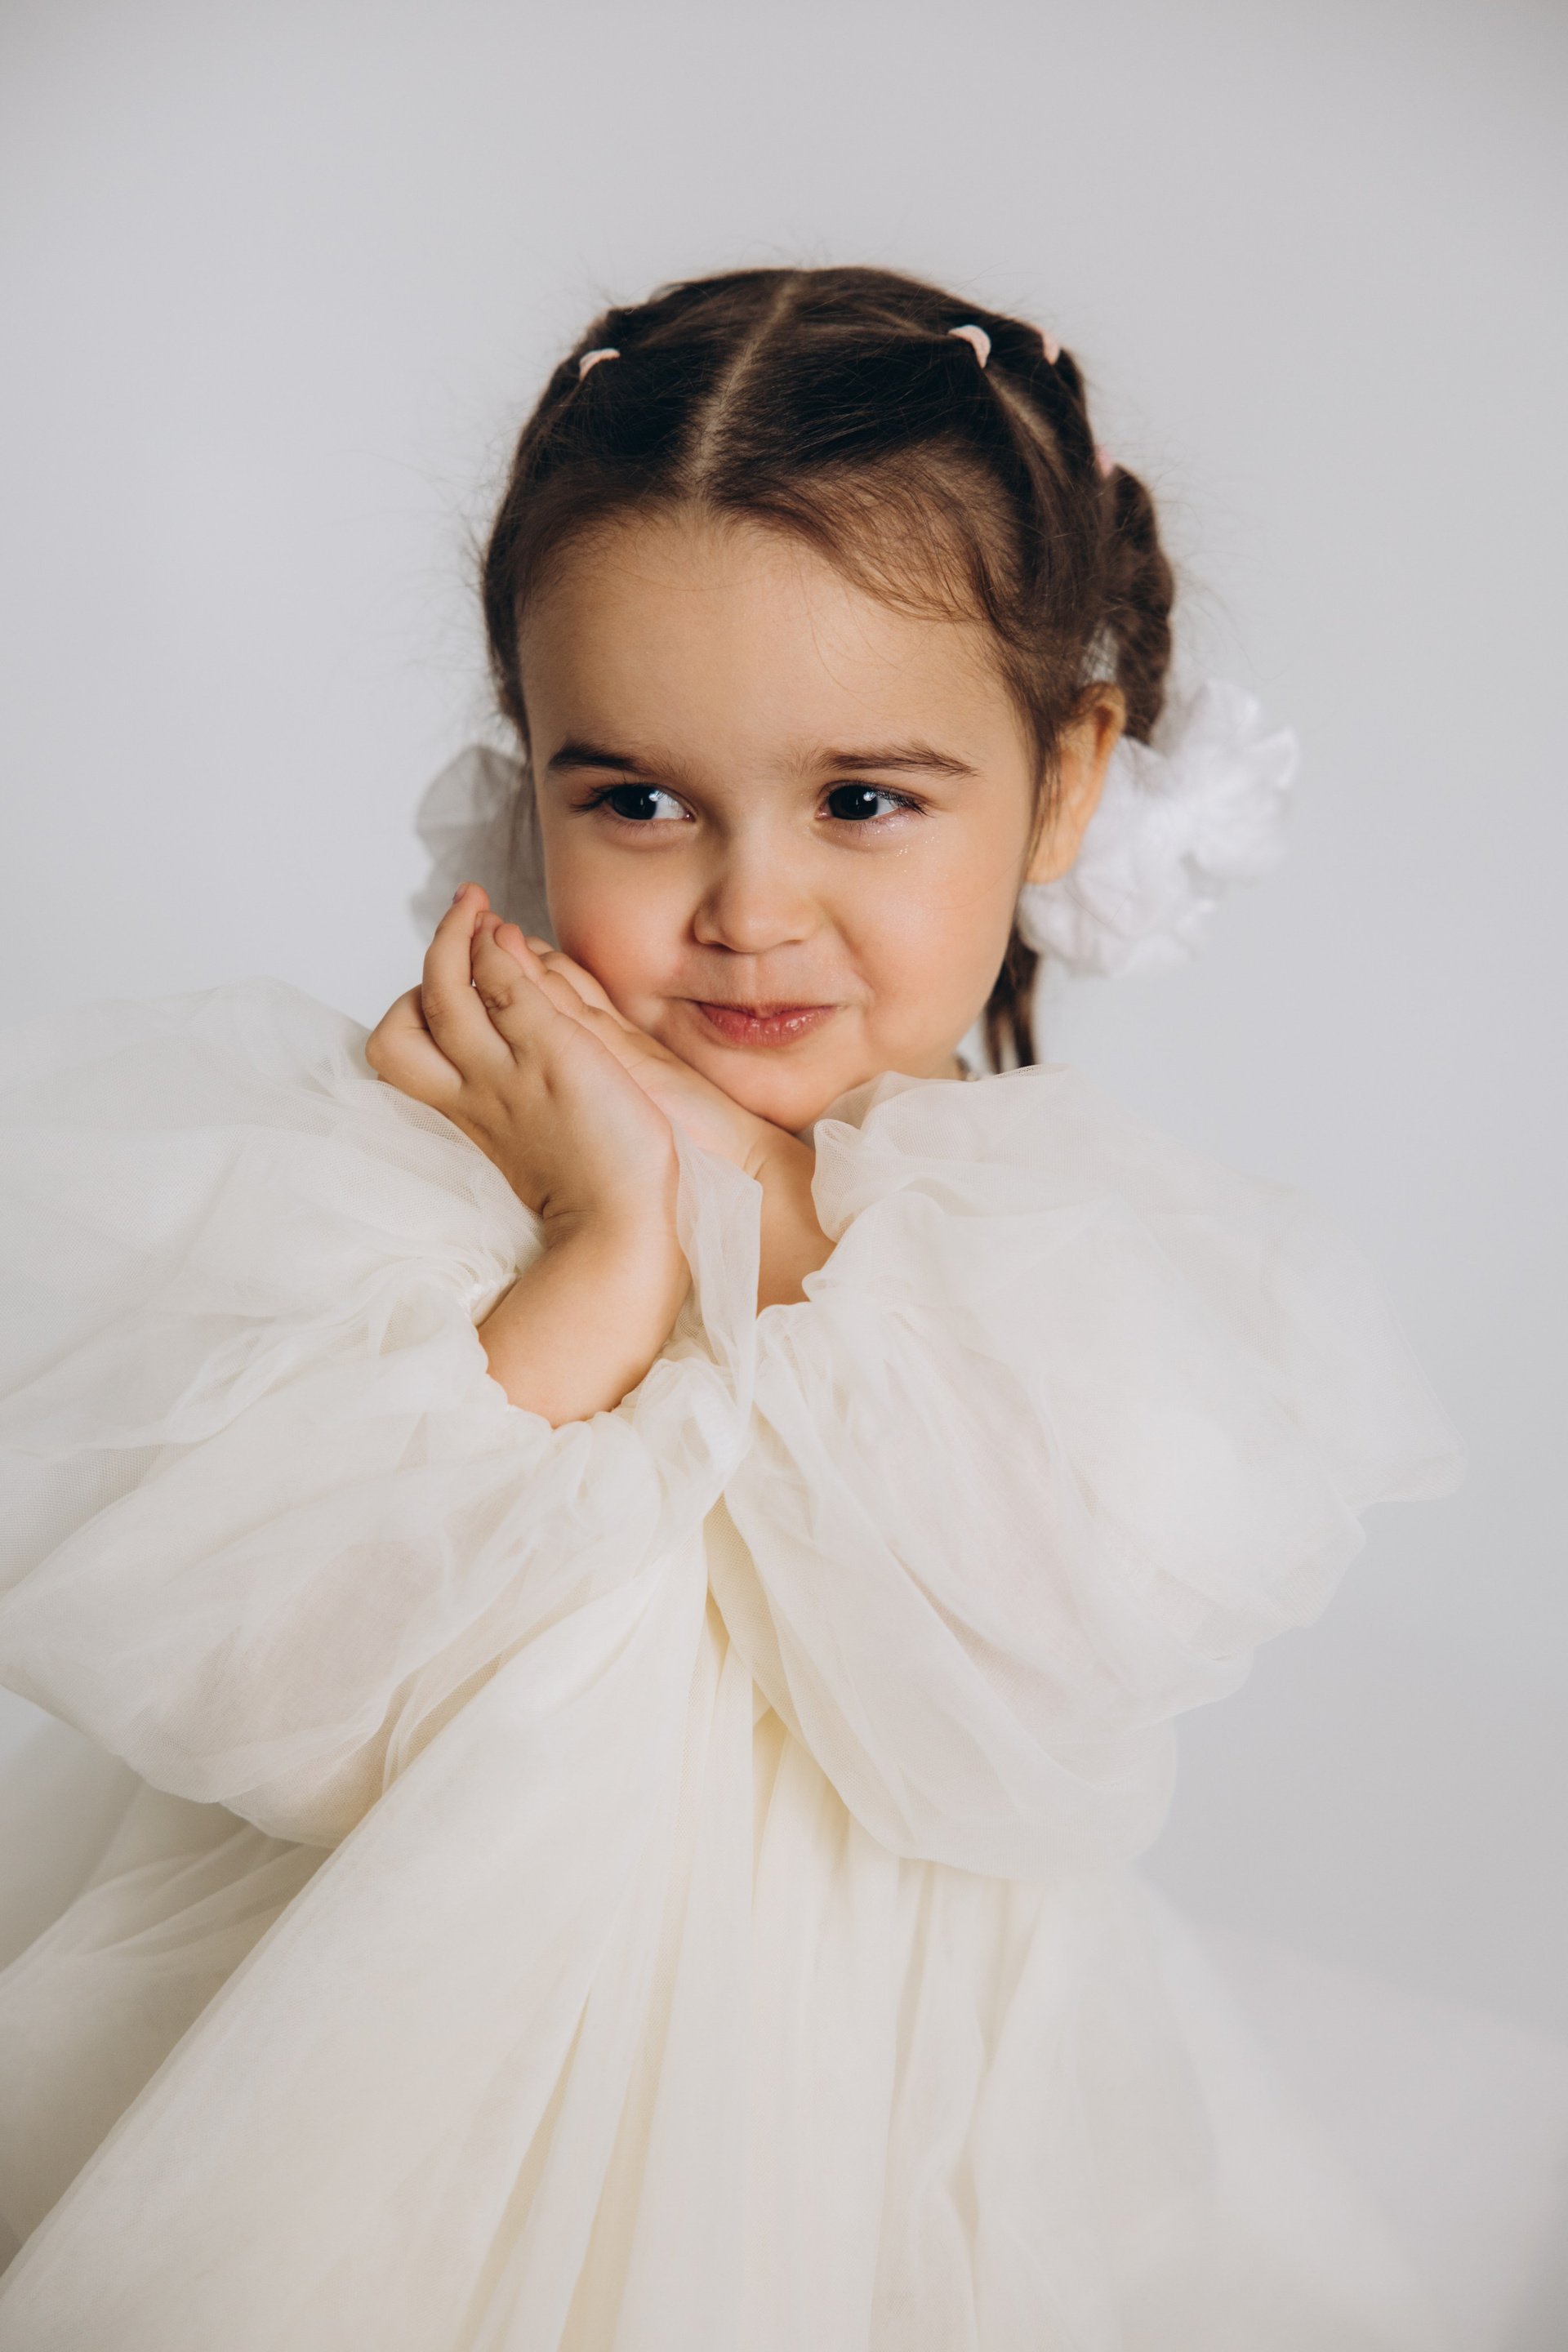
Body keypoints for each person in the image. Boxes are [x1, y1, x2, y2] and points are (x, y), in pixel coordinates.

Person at [0, 267, 1462, 2349]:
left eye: (863, 799)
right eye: (638, 798)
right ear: (531, 775)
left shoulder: (1058, 1271)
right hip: (416, 2128)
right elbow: (287, 1697)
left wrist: (731, 1183)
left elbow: (1025, 1713)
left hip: (885, 2129)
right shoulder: (412, 1180)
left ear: (1064, 780)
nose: (749, 909)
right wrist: (610, 1248)